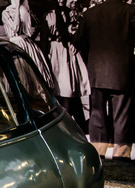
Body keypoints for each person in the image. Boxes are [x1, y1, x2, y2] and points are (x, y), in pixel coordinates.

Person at [72, 0, 135, 159]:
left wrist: (90, 58)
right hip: (121, 71)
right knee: (122, 114)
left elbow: (77, 41)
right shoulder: (131, 11)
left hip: (96, 71)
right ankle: (121, 153)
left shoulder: (91, 13)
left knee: (97, 113)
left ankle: (99, 150)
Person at [45, 0, 90, 132]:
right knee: (64, 86)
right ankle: (68, 121)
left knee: (68, 86)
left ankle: (72, 121)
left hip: (65, 52)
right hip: (59, 52)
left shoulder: (72, 15)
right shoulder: (51, 16)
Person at [2, 0, 57, 92]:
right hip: (16, 43)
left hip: (27, 43)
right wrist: (17, 8)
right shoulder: (6, 12)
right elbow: (16, 28)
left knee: (36, 76)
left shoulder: (25, 10)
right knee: (20, 76)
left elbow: (29, 31)